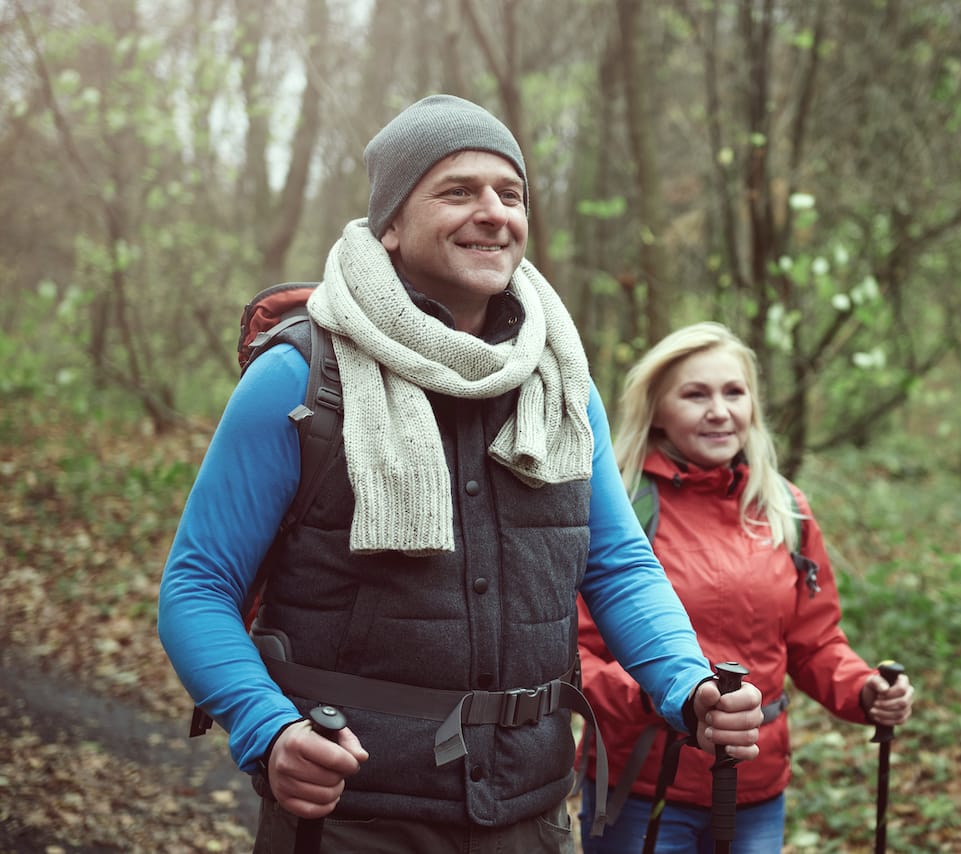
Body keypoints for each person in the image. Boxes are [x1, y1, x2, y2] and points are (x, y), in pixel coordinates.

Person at [157, 95, 763, 854]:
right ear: (391, 225)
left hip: (533, 811)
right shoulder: (300, 378)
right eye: (456, 191)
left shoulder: (561, 385)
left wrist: (688, 682)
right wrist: (267, 729)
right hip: (352, 817)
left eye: (510, 195)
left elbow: (614, 563)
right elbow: (197, 586)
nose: (493, 212)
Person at [576, 321, 915, 853]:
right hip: (641, 784)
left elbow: (816, 641)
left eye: (734, 392)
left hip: (756, 790)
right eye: (695, 394)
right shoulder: (619, 507)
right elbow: (576, 657)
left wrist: (864, 691)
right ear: (658, 408)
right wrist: (671, 699)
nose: (720, 411)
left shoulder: (785, 509)